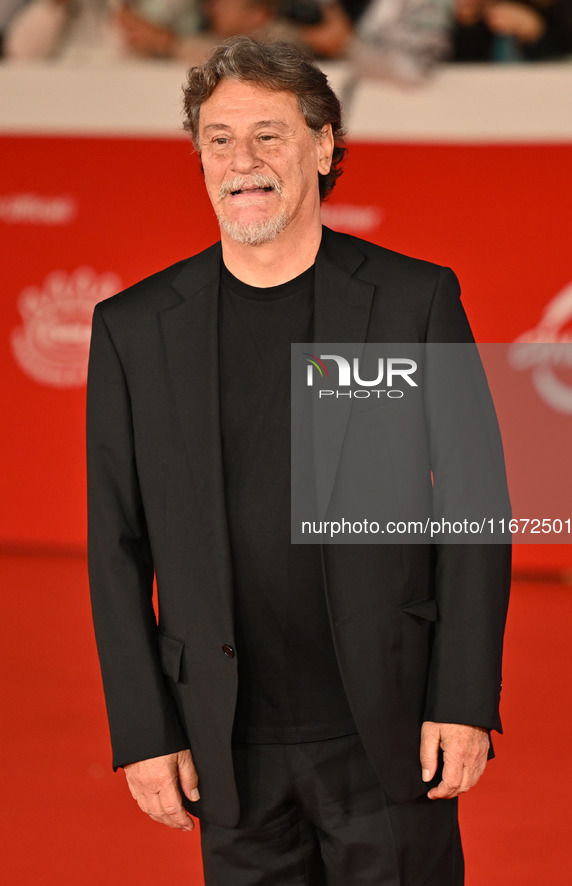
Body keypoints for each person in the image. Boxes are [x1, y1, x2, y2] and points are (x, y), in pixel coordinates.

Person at [87, 35, 511, 885]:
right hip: (225, 743)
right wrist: (144, 730)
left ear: (322, 145)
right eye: (218, 138)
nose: (241, 161)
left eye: (268, 135)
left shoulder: (413, 299)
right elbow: (116, 544)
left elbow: (477, 506)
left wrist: (463, 702)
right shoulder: (132, 328)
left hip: (385, 729)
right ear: (198, 156)